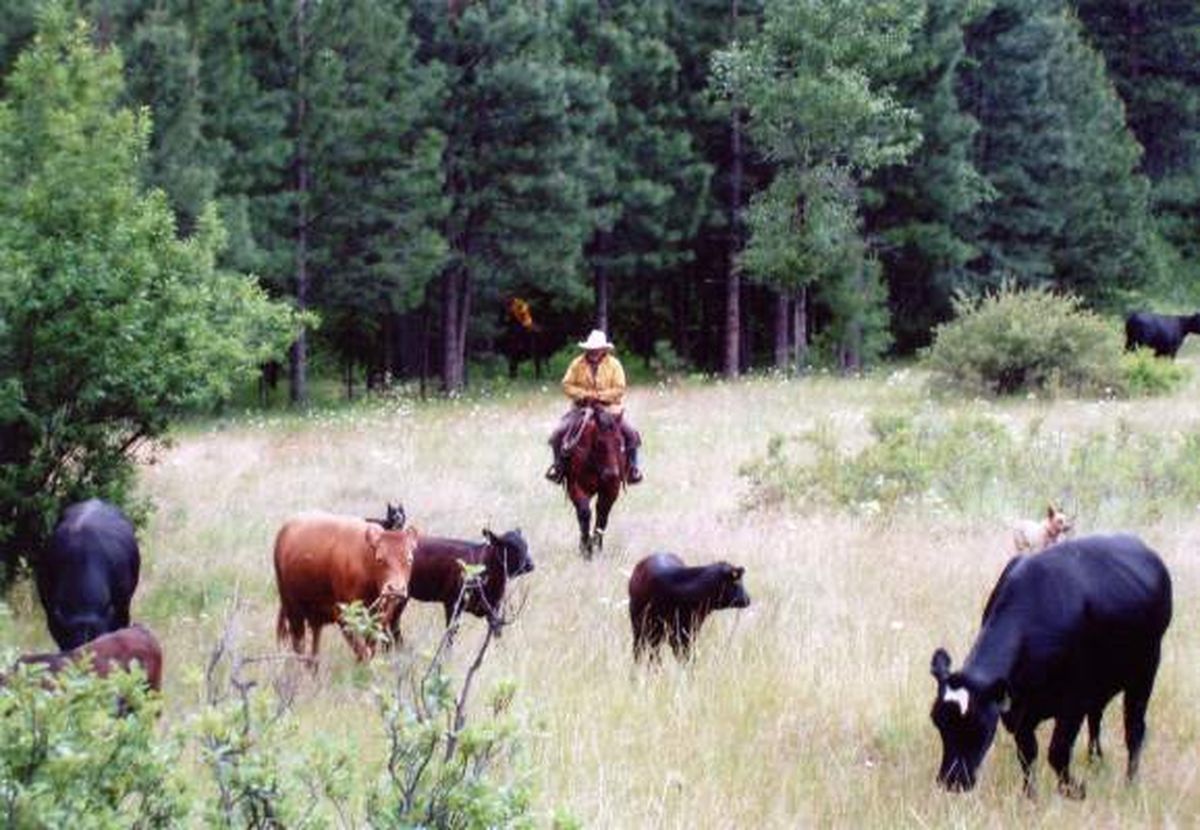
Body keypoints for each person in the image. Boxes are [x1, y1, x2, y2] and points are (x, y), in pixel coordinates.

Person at [545, 330, 643, 485]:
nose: (594, 351)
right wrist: (583, 395)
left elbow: (620, 388)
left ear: (604, 349)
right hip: (581, 408)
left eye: (597, 348)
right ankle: (558, 467)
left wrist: (599, 397)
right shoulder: (577, 363)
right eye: (591, 348)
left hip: (609, 409)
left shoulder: (614, 364)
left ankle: (633, 469)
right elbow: (566, 385)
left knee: (632, 434)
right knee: (557, 433)